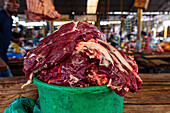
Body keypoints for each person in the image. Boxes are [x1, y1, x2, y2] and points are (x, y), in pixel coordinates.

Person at [0, 0, 20, 77]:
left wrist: (14, 40)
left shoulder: (10, 19)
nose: (15, 4)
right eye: (11, 1)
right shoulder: (1, 16)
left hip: (4, 58)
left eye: (17, 2)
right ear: (3, 2)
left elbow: (4, 33)